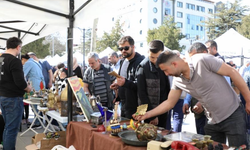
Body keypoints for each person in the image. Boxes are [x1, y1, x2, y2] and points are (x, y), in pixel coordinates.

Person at [134, 42, 250, 147]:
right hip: (212, 120)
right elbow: (169, 103)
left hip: (233, 115)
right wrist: (147, 115)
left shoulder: (202, 60)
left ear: (174, 64)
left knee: (238, 148)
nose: (166, 74)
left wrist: (249, 100)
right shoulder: (177, 81)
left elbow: (232, 72)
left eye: (165, 70)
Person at [0, 37, 32, 150]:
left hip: (3, 96)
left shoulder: (1, 58)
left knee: (7, 127)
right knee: (12, 129)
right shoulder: (14, 60)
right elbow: (20, 82)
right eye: (20, 48)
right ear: (18, 47)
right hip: (12, 98)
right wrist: (28, 88)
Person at [136, 40, 170, 128]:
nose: (155, 60)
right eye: (152, 57)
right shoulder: (143, 67)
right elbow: (141, 94)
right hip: (149, 112)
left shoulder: (164, 63)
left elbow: (166, 88)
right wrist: (153, 115)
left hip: (164, 109)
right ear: (148, 52)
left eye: (157, 57)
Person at [110, 36, 144, 119]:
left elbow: (142, 85)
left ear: (133, 47)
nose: (123, 51)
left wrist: (125, 83)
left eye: (126, 48)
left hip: (136, 107)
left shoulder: (141, 62)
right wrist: (117, 85)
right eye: (120, 49)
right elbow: (122, 81)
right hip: (123, 105)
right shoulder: (122, 61)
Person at [22, 53, 45, 129]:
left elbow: (22, 75)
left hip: (35, 84)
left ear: (23, 59)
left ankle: (38, 122)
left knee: (34, 103)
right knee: (39, 103)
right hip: (41, 83)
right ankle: (39, 121)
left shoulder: (28, 63)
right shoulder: (35, 62)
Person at [166, 50, 185, 132]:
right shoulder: (169, 68)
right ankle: (174, 134)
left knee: (175, 117)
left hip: (174, 95)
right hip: (174, 96)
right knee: (176, 117)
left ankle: (172, 134)